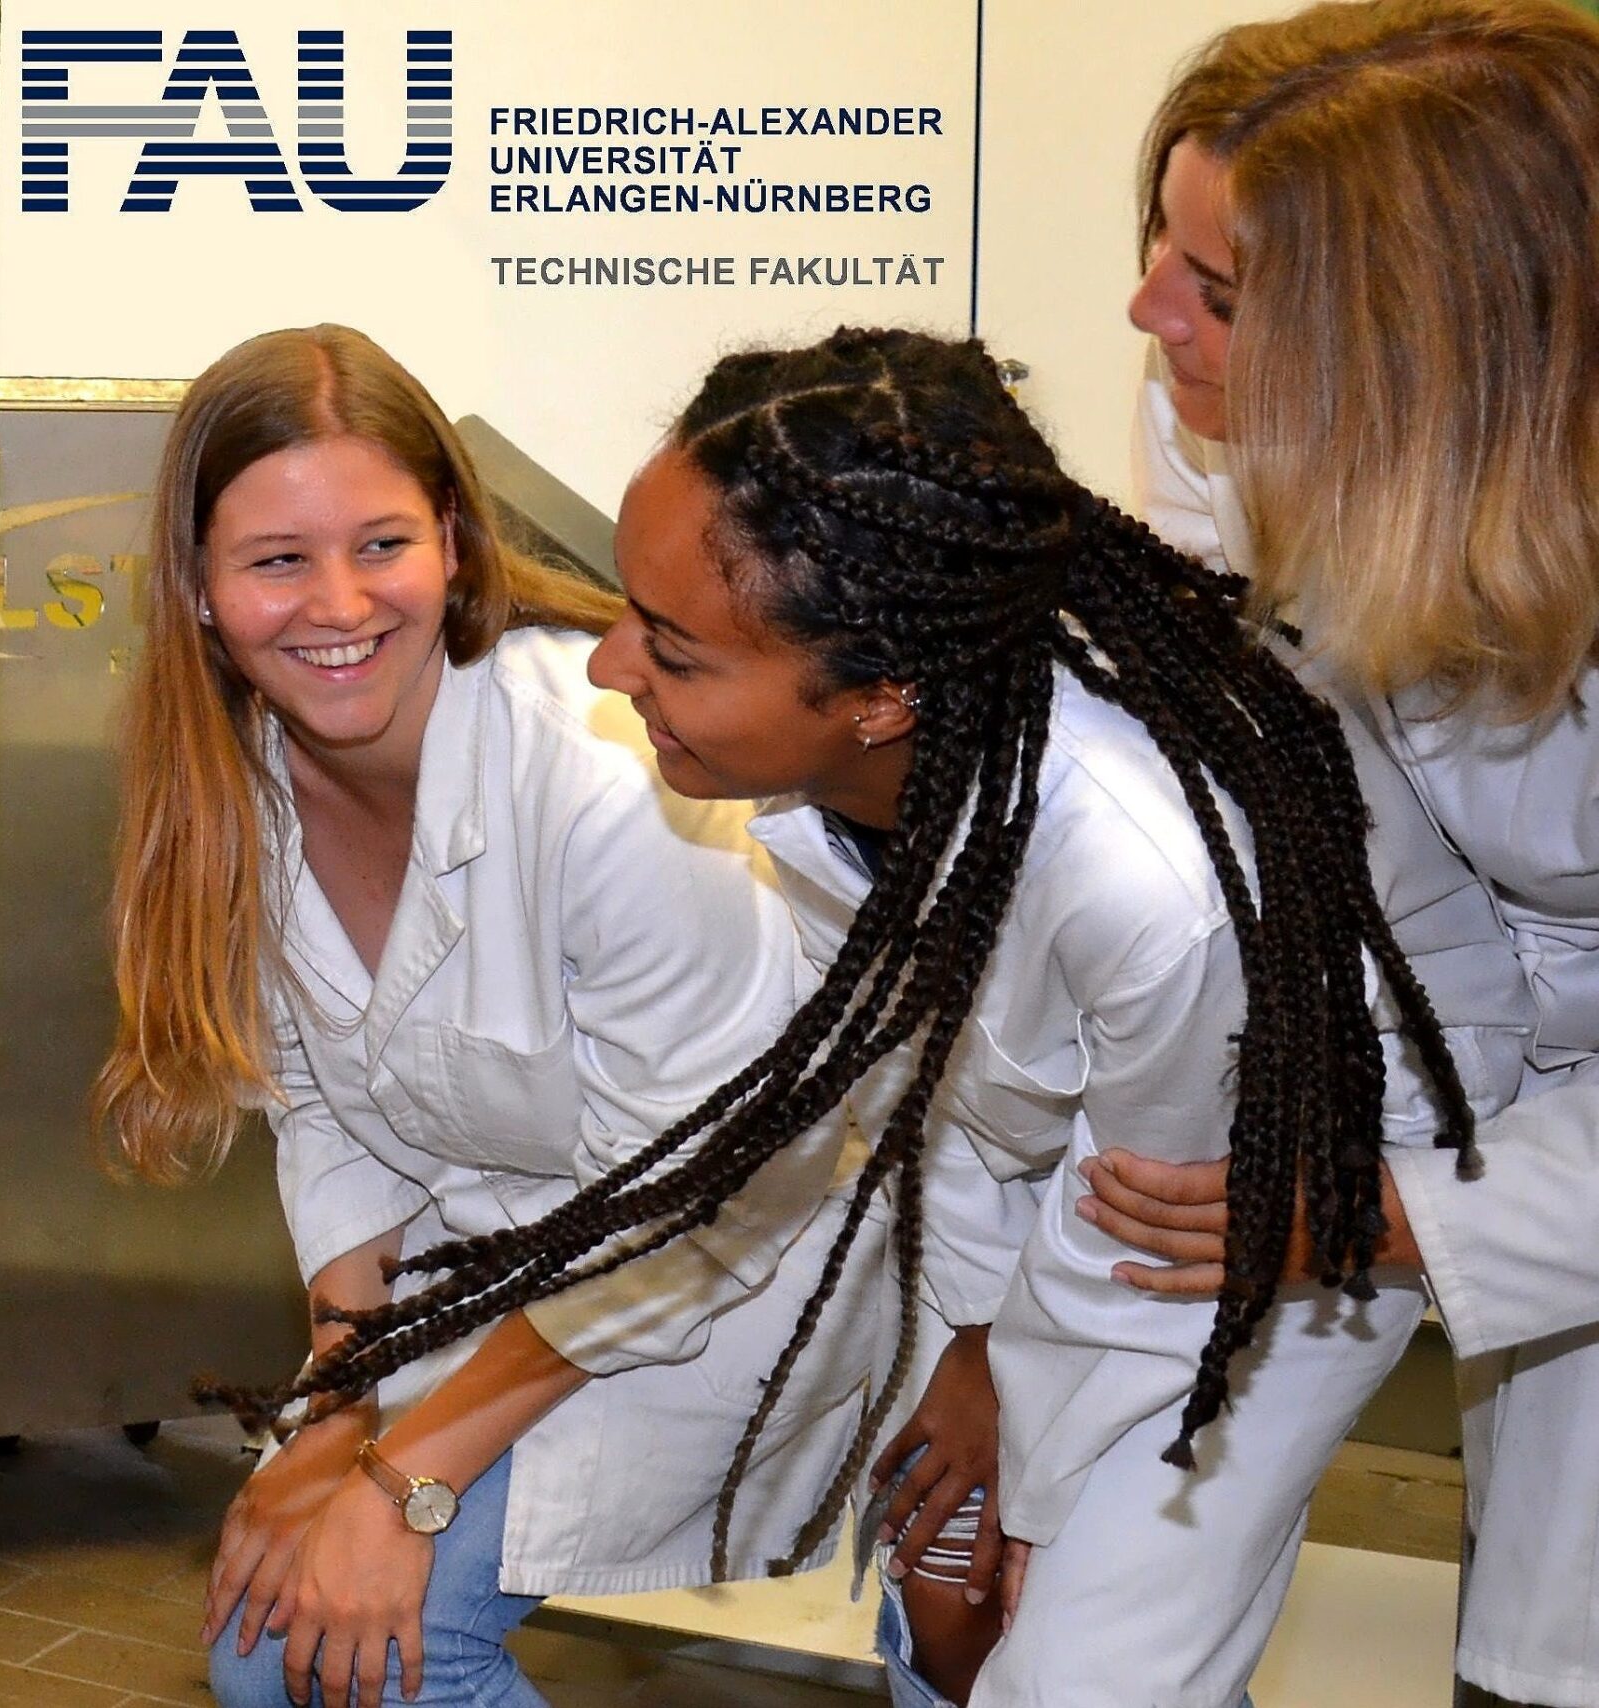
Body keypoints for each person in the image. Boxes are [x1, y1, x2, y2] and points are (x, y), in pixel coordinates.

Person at [239, 325, 1524, 1708]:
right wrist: (973, 1345)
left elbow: (1150, 1233)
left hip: (1282, 1183)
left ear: (876, 699)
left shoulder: (1145, 879)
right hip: (1070, 1177)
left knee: (1068, 1666)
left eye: (671, 649)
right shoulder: (834, 786)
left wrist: (1030, 1461)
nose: (609, 667)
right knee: (943, 1587)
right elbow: (945, 1094)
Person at [92, 324, 886, 1708]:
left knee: (377, 1660)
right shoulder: (240, 794)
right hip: (502, 1271)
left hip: (730, 1266)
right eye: (278, 561)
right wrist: (335, 1418)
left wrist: (409, 1476)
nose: (339, 604)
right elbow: (331, 1123)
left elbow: (698, 1196)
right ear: (202, 589)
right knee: (270, 1649)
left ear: (454, 542)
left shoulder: (602, 774)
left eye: (382, 544)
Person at [1083, 4, 1599, 1703]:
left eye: (1218, 291)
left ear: (1432, 350)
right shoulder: (1228, 419)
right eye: (1165, 244)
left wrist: (1386, 1211)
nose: (1151, 312)